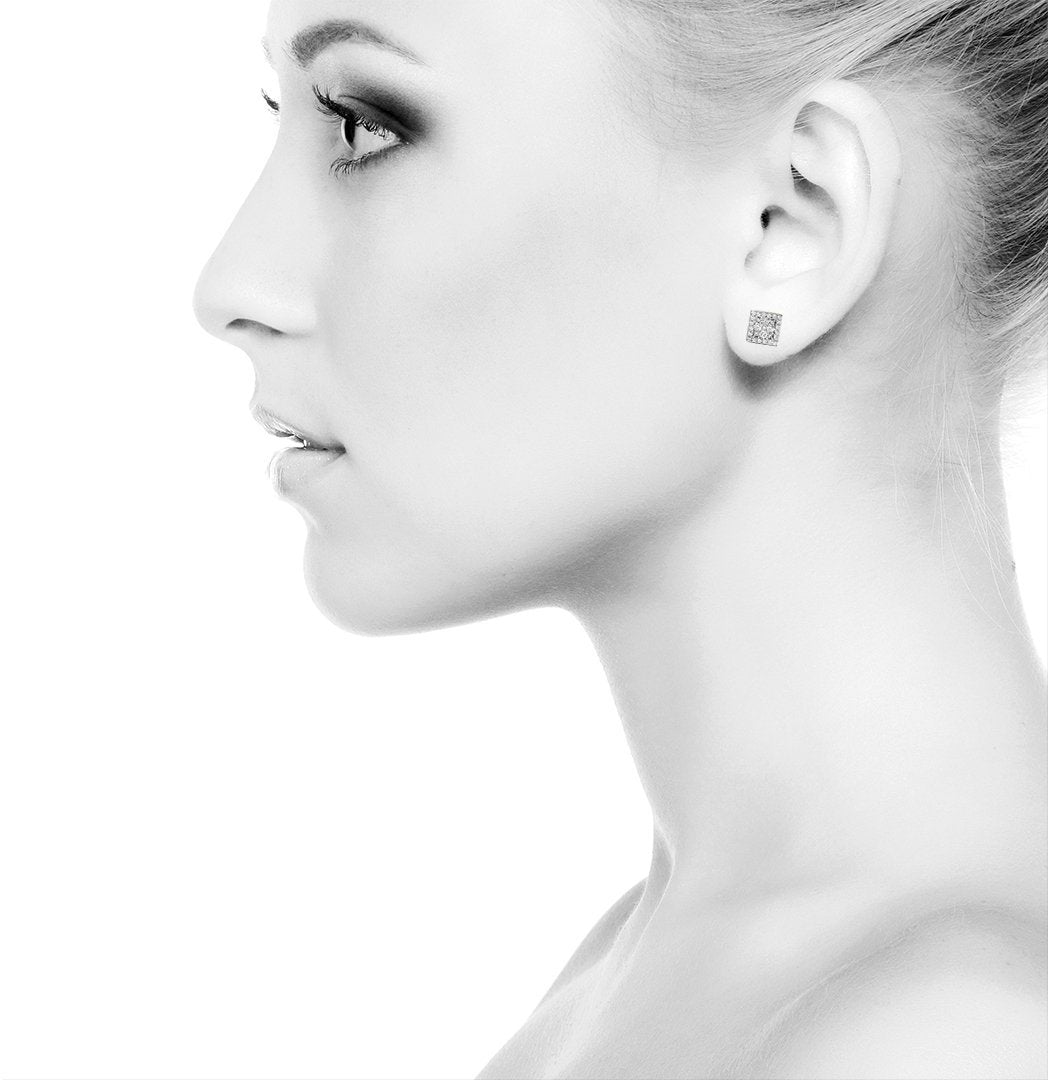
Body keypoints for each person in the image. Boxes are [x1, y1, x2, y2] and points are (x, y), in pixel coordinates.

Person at [193, 1, 1048, 1076]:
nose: (229, 286)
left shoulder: (947, 1040)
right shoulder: (644, 973)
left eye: (365, 124)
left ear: (793, 227)